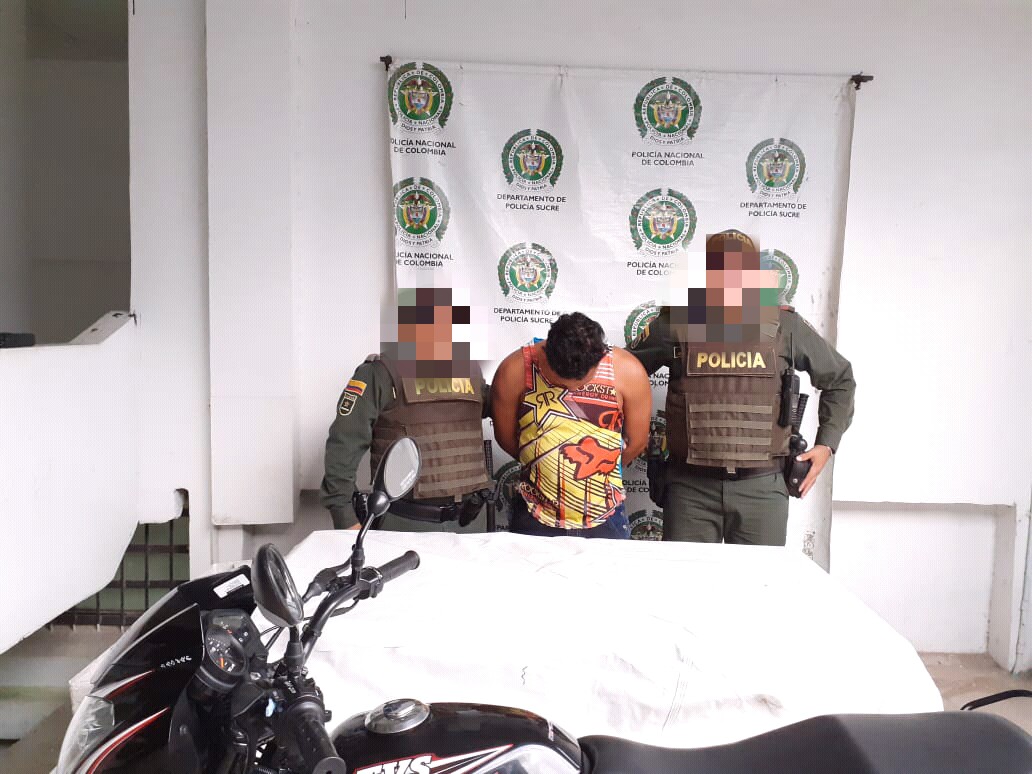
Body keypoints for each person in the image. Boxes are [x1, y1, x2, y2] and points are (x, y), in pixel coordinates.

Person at [627, 230, 856, 546]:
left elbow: (839, 378)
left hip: (761, 488)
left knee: (758, 579)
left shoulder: (784, 326)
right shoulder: (676, 323)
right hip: (690, 489)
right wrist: (629, 434)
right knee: (686, 577)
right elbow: (621, 372)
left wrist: (826, 445)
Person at [320, 287, 494, 532]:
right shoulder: (379, 373)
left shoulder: (471, 371)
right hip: (405, 522)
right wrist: (345, 517)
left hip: (470, 522)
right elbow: (343, 445)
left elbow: (499, 412)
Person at [491, 312, 652, 538]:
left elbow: (636, 443)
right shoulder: (514, 370)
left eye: (581, 381)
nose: (573, 389)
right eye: (562, 383)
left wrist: (601, 467)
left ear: (600, 358)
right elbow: (506, 438)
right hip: (534, 513)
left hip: (605, 516)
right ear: (546, 354)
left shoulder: (628, 371)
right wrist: (543, 460)